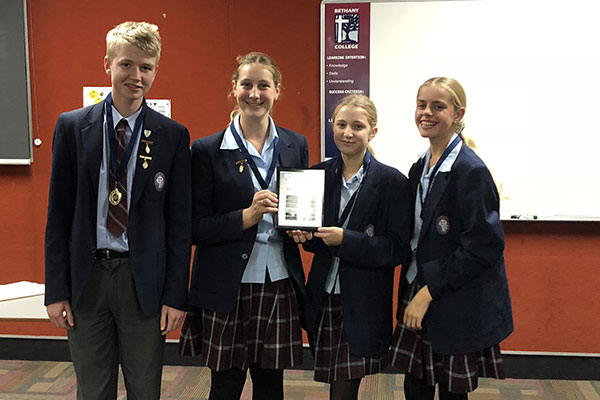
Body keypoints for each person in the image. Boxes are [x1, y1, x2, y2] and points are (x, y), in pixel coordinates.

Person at [44, 21, 191, 399]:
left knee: (145, 388)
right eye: (126, 64)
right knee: (93, 389)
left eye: (146, 67)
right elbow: (58, 215)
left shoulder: (172, 135)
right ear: (107, 64)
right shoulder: (72, 127)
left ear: (156, 70)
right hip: (86, 280)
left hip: (142, 282)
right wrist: (55, 290)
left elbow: (178, 223)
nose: (136, 76)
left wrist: (176, 294)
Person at [178, 52, 308, 400]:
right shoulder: (206, 150)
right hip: (226, 285)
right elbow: (195, 227)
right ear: (233, 88)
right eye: (246, 84)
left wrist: (300, 230)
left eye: (263, 86)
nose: (255, 93)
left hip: (278, 280)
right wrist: (245, 218)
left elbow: (301, 210)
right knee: (226, 386)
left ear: (277, 91)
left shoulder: (295, 145)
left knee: (270, 386)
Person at [389, 77, 513, 399]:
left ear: (458, 114)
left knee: (451, 390)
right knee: (415, 383)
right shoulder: (420, 165)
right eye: (421, 105)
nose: (426, 113)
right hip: (420, 284)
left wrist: (429, 292)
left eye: (437, 106)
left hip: (452, 295)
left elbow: (482, 247)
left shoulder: (470, 171)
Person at [289, 94, 411, 399]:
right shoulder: (316, 175)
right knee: (337, 386)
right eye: (341, 124)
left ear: (373, 131)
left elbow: (395, 249)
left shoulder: (393, 182)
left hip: (362, 302)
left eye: (358, 126)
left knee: (343, 390)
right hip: (322, 299)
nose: (347, 132)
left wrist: (347, 240)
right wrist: (301, 235)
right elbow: (314, 241)